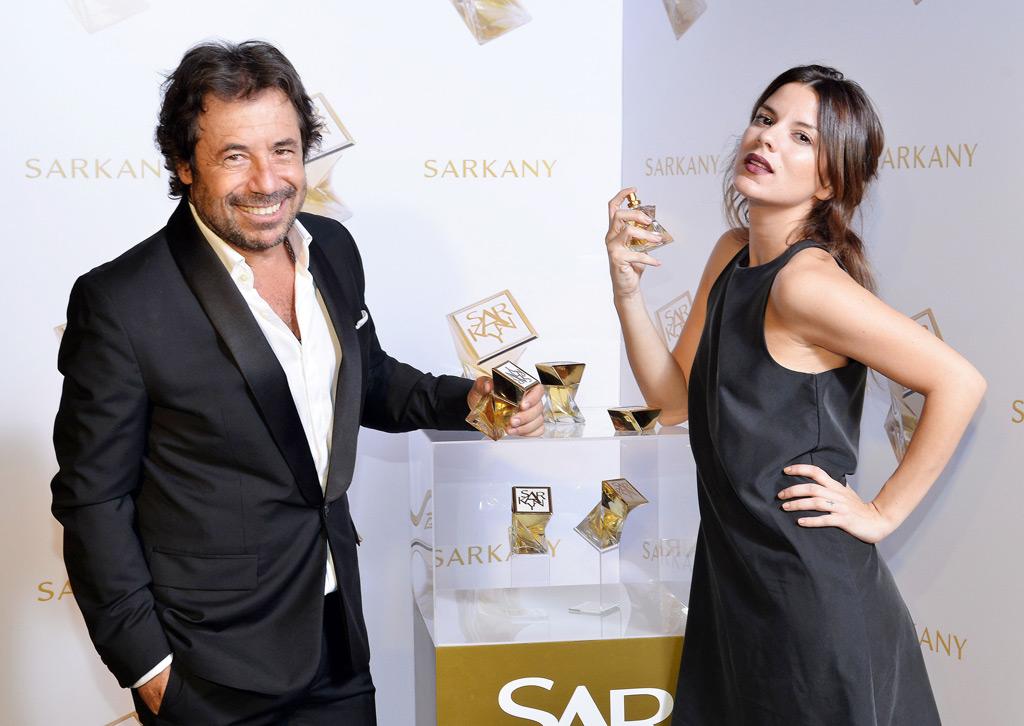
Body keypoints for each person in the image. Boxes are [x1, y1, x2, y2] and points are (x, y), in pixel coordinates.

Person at [50, 40, 543, 725]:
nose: (267, 180)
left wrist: (471, 401)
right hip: (208, 667)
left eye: (283, 150)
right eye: (234, 156)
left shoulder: (331, 248)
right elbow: (93, 501)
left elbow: (368, 380)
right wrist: (150, 671)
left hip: (337, 644)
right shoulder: (122, 301)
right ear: (184, 164)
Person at [605, 65, 985, 724]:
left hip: (807, 606)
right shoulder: (732, 254)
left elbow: (959, 381)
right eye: (765, 118)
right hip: (736, 592)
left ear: (830, 181)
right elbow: (671, 402)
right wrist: (627, 291)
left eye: (802, 136)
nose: (768, 138)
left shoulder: (804, 284)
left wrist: (881, 513)